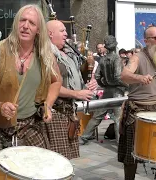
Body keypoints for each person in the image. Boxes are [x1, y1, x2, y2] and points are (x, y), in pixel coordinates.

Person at [0, 5, 61, 179]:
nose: (26, 26)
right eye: (22, 20)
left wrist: (48, 104)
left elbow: (56, 81)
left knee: (36, 175)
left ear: (38, 30)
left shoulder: (45, 55)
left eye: (32, 23)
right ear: (16, 23)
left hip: (31, 128)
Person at [118, 26, 156, 180]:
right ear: (146, 41)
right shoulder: (137, 57)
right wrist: (139, 78)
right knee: (131, 151)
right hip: (137, 109)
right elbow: (124, 75)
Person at [46, 20, 97, 159]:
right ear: (50, 34)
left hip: (69, 111)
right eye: (62, 31)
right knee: (56, 159)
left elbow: (77, 78)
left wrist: (90, 83)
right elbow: (48, 86)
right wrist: (76, 93)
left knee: (66, 158)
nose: (66, 34)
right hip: (55, 113)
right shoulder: (45, 54)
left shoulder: (68, 54)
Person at [80, 35, 127, 145]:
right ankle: (120, 143)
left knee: (98, 115)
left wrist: (103, 83)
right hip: (116, 91)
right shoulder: (116, 59)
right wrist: (126, 85)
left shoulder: (103, 59)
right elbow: (117, 76)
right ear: (115, 45)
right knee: (117, 118)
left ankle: (85, 136)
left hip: (107, 91)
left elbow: (97, 76)